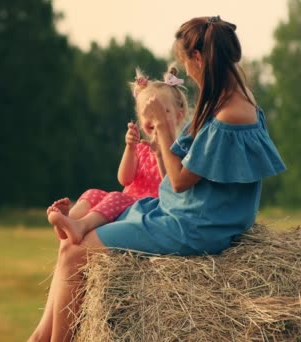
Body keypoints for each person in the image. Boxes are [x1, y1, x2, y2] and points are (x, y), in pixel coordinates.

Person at [28, 16, 286, 342]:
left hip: (194, 226)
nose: (189, 75)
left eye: (186, 64)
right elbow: (183, 172)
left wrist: (162, 125)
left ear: (199, 58)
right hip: (185, 211)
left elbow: (179, 180)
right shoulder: (237, 97)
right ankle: (41, 336)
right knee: (74, 240)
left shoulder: (229, 114)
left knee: (74, 253)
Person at [47, 66, 189, 245]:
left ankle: (81, 226)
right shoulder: (141, 148)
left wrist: (160, 155)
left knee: (116, 197)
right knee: (93, 193)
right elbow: (124, 179)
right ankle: (69, 222)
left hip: (149, 210)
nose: (155, 119)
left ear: (179, 115)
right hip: (126, 204)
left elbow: (170, 187)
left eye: (163, 112)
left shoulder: (179, 150)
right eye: (148, 114)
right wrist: (130, 148)